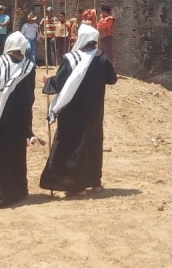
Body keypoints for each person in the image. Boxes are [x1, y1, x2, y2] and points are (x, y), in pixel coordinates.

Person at [40, 24, 117, 196]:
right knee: (92, 143)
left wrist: (47, 79)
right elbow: (112, 79)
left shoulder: (71, 59)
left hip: (72, 111)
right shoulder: (102, 58)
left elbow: (58, 84)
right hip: (93, 111)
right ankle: (95, 182)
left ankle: (76, 185)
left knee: (72, 143)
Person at [0, 31, 36, 207]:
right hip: (20, 117)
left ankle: (1, 196)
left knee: (1, 157)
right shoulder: (30, 66)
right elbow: (30, 96)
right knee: (17, 155)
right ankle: (19, 191)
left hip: (1, 118)